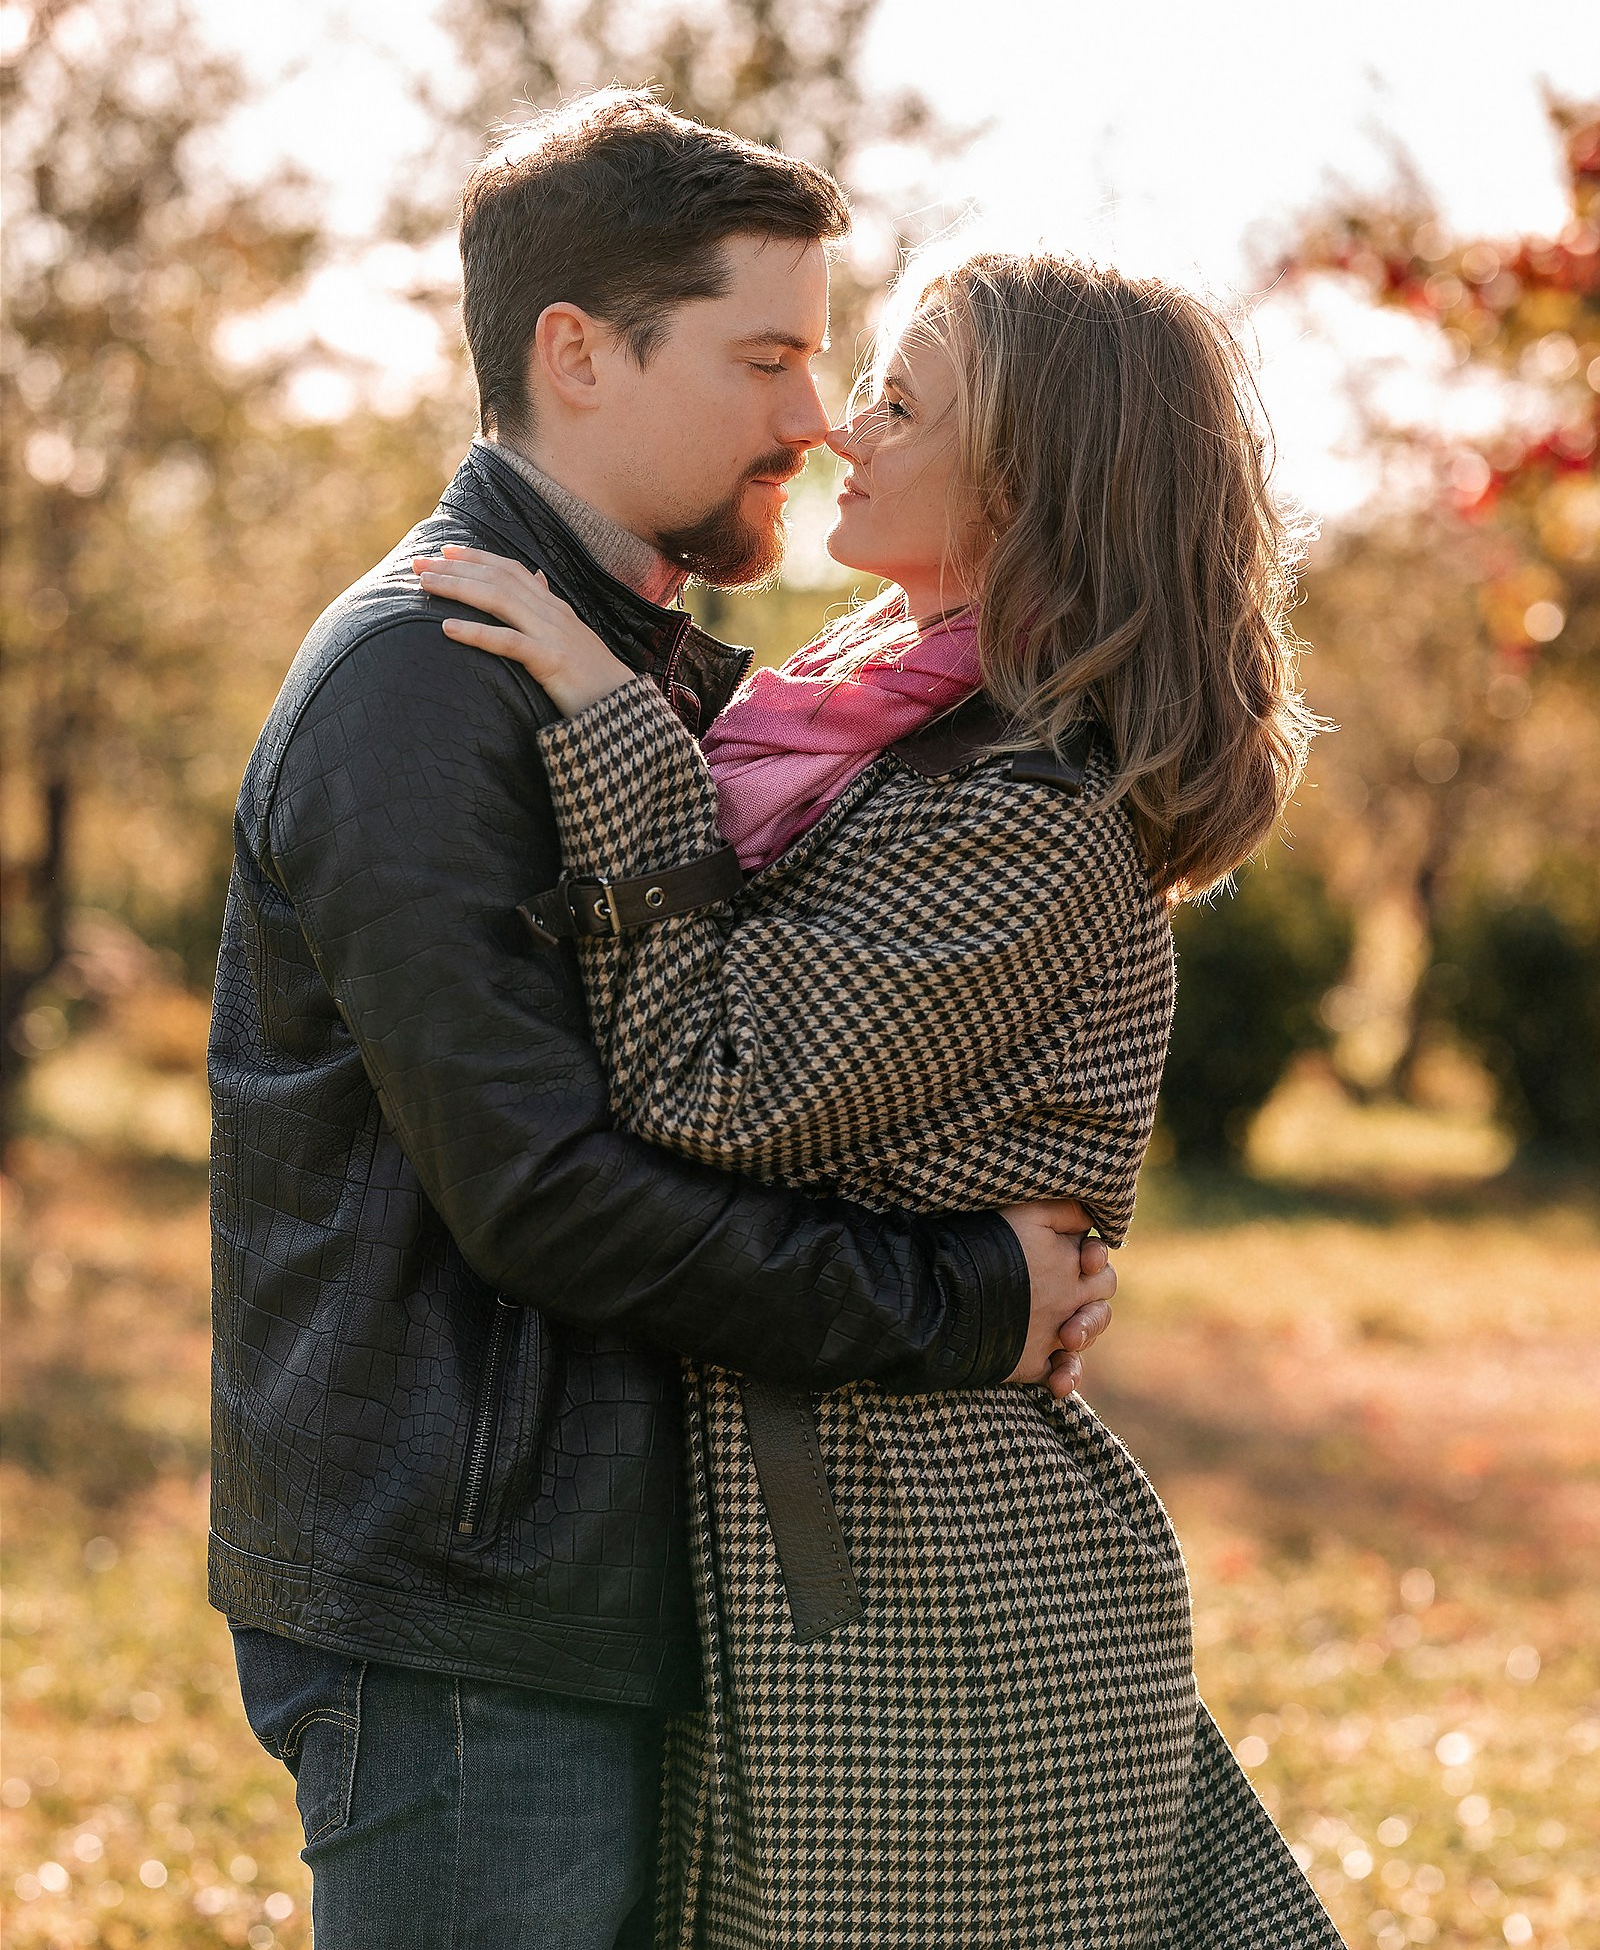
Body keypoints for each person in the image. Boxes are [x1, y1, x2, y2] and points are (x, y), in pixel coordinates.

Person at [210, 91, 1116, 1950]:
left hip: (606, 1580)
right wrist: (962, 1302)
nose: (815, 415)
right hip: (470, 1600)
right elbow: (541, 1195)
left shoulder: (651, 675)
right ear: (578, 354)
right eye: (766, 358)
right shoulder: (425, 689)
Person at [414, 245, 1343, 1947]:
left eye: (902, 405)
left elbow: (716, 1080)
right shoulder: (860, 725)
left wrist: (608, 723)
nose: (844, 430)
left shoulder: (1027, 810)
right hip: (839, 1541)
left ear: (1028, 488)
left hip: (933, 1593)